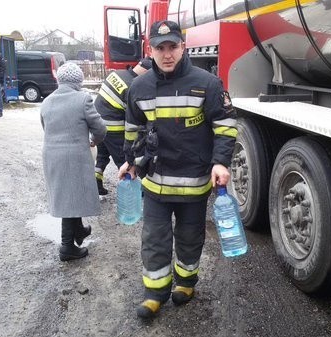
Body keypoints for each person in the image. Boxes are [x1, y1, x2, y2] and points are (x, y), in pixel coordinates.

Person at [117, 20, 237, 319]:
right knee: (155, 238)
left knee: (190, 237)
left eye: (173, 46)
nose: (167, 54)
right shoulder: (139, 88)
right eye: (160, 48)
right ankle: (154, 293)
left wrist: (221, 161)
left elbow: (225, 126)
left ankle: (185, 283)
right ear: (151, 50)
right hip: (156, 185)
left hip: (194, 183)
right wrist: (131, 162)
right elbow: (133, 130)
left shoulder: (208, 84)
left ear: (183, 47)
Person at [40, 62, 107, 261]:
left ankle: (78, 231)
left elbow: (46, 127)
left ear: (59, 80)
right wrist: (95, 140)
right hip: (73, 156)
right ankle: (67, 247)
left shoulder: (47, 101)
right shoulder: (83, 99)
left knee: (68, 194)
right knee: (70, 198)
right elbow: (101, 128)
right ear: (78, 81)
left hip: (51, 155)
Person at [93, 57, 152, 195]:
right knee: (125, 160)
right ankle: (133, 191)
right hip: (114, 128)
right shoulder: (133, 86)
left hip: (98, 124)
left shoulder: (116, 74)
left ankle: (96, 181)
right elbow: (135, 114)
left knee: (102, 154)